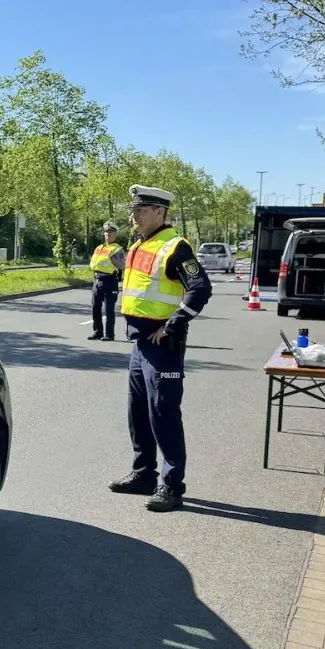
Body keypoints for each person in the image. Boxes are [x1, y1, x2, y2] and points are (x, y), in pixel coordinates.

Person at [107, 185, 213, 512]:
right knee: (138, 413)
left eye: (141, 209)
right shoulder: (142, 244)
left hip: (162, 344)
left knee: (163, 414)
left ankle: (171, 486)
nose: (134, 215)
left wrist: (173, 324)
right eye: (134, 209)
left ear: (159, 212)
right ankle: (144, 474)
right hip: (139, 344)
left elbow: (200, 288)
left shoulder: (174, 246)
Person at [87, 221, 126, 340]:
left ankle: (109, 334)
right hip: (97, 279)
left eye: (110, 232)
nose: (108, 234)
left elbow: (122, 266)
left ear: (115, 234)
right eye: (106, 232)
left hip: (110, 280)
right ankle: (97, 331)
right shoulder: (99, 248)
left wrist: (113, 259)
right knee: (95, 307)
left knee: (109, 309)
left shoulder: (117, 249)